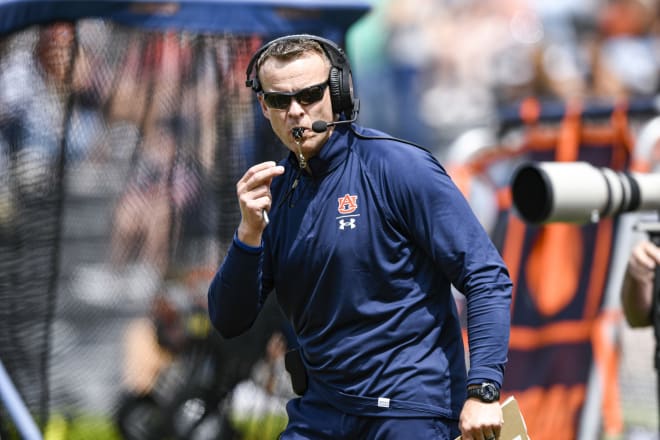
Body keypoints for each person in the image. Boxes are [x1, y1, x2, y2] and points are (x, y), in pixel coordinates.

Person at [207, 34, 513, 440]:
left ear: (339, 93)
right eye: (281, 100)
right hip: (320, 413)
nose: (296, 111)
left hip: (408, 412)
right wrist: (248, 233)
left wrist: (484, 390)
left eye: (311, 94)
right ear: (264, 106)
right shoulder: (273, 196)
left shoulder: (399, 168)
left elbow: (486, 275)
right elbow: (228, 319)